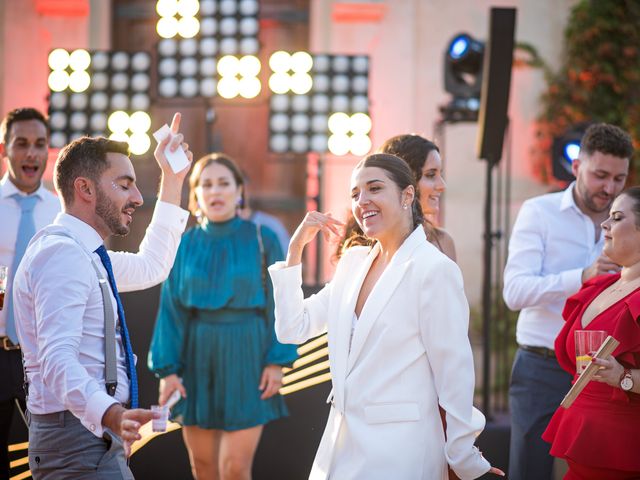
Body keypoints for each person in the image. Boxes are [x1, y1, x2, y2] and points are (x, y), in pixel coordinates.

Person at [269, 153, 504, 479]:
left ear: (407, 195)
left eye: (374, 188)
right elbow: (293, 328)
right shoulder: (352, 263)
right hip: (339, 449)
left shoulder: (434, 270)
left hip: (403, 452)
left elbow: (454, 376)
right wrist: (294, 252)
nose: (362, 200)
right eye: (355, 194)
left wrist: (464, 458)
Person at [13, 113, 192, 479]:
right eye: (125, 185)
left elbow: (151, 266)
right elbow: (56, 359)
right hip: (76, 439)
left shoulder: (84, 254)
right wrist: (110, 413)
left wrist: (173, 180)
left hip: (89, 436)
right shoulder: (61, 254)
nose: (138, 198)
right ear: (86, 189)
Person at [148, 153, 297, 480]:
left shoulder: (263, 238)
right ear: (196, 193)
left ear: (239, 190)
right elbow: (172, 309)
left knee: (234, 468)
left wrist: (277, 361)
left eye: (224, 183)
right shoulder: (183, 244)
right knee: (202, 468)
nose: (215, 192)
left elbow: (280, 303)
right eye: (206, 184)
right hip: (197, 358)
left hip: (249, 356)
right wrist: (167, 371)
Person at [503, 123, 633, 480]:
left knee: (598, 469)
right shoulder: (538, 212)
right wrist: (582, 276)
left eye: (619, 179)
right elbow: (514, 292)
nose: (609, 188)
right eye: (600, 175)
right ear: (577, 168)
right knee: (529, 469)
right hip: (541, 365)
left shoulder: (630, 224)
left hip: (604, 373)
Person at [542, 186, 640, 479]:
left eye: (617, 218)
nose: (604, 225)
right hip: (578, 442)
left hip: (621, 452)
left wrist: (622, 377)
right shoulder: (600, 286)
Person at [0, 107, 60, 478]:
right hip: (0, 349)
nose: (32, 154)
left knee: (53, 455)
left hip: (44, 355)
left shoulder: (61, 210)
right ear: (5, 147)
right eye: (21, 144)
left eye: (40, 144)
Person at [379, 134, 456, 260]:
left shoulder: (444, 242)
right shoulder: (368, 245)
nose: (442, 185)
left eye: (440, 174)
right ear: (402, 180)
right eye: (431, 175)